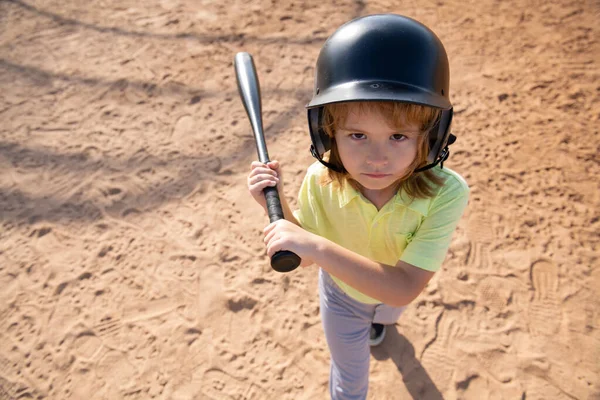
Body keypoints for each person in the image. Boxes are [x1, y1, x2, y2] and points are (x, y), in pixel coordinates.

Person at [247, 14, 469, 400]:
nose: (377, 159)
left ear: (431, 138)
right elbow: (304, 252)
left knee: (386, 313)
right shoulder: (319, 179)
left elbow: (401, 287)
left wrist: (314, 247)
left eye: (398, 135)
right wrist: (276, 202)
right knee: (349, 380)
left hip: (390, 295)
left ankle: (379, 325)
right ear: (327, 132)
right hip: (342, 297)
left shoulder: (446, 192)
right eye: (358, 135)